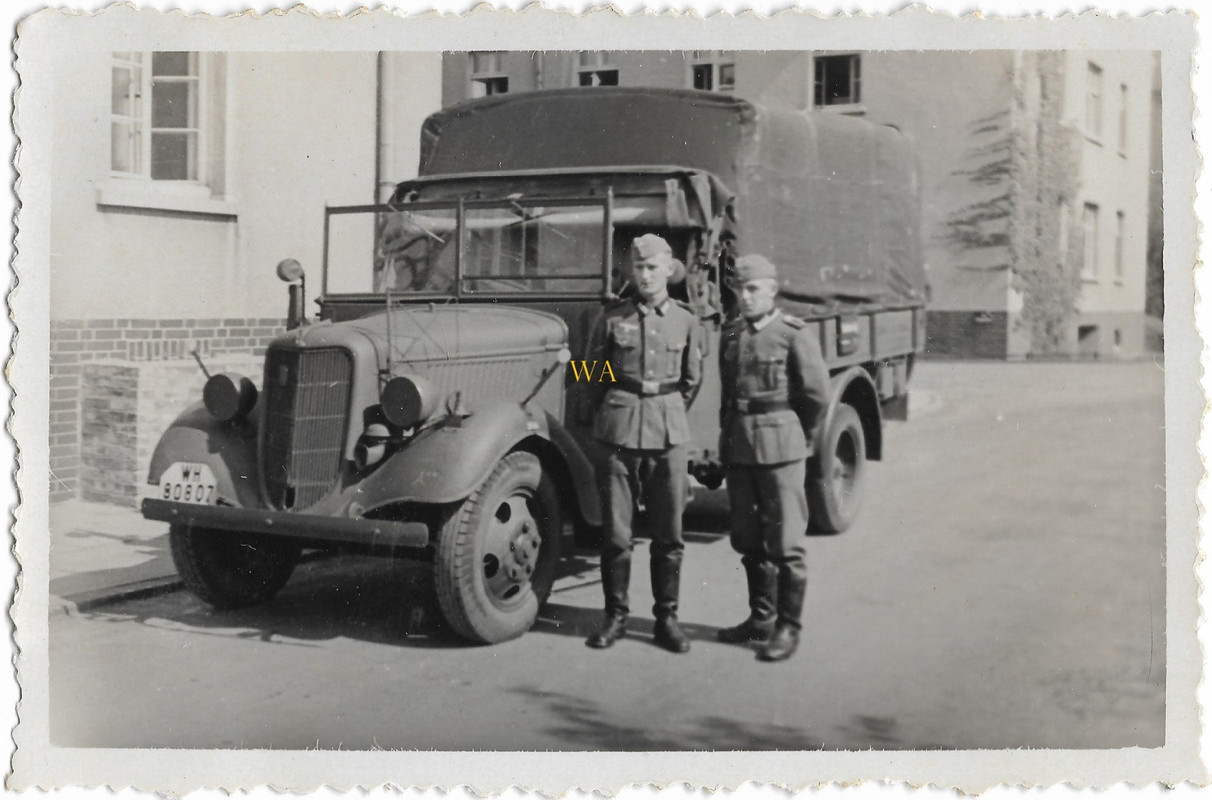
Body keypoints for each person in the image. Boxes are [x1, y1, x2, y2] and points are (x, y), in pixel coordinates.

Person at [584, 233, 703, 653]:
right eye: (639, 267)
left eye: (653, 267)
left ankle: (666, 620)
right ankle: (615, 616)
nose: (646, 275)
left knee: (669, 534)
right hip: (618, 432)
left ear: (669, 269)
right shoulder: (612, 317)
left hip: (668, 434)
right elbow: (589, 374)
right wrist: (613, 409)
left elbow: (691, 381)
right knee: (617, 535)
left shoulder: (687, 321)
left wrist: (665, 409)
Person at [717, 254, 830, 662]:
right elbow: (729, 397)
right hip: (741, 445)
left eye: (753, 290)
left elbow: (816, 396)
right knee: (748, 537)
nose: (744, 298)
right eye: (739, 290)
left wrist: (801, 438)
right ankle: (760, 619)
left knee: (785, 542)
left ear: (771, 290)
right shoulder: (731, 335)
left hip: (781, 446)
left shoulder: (793, 334)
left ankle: (788, 628)